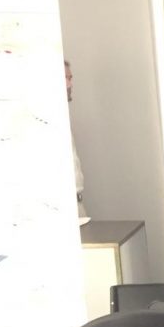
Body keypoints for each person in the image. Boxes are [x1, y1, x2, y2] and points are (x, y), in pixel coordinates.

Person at [65, 61, 90, 225]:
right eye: (66, 78)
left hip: (77, 205)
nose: (70, 84)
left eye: (71, 78)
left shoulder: (63, 119)